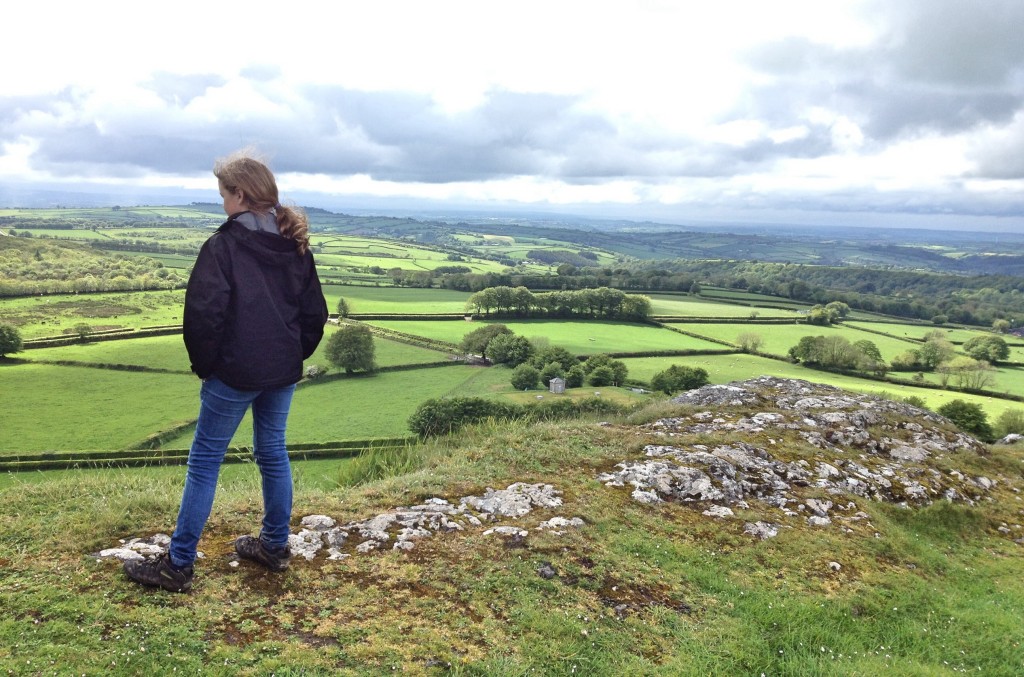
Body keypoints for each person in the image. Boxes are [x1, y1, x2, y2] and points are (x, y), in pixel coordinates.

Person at [125, 153, 328, 592]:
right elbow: (314, 314)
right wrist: (291, 356)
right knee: (272, 452)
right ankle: (274, 546)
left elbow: (203, 314)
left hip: (233, 374)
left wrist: (207, 367)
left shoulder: (223, 246)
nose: (221, 204)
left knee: (204, 462)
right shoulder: (294, 244)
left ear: (240, 195)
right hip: (280, 372)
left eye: (223, 195)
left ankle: (177, 565)